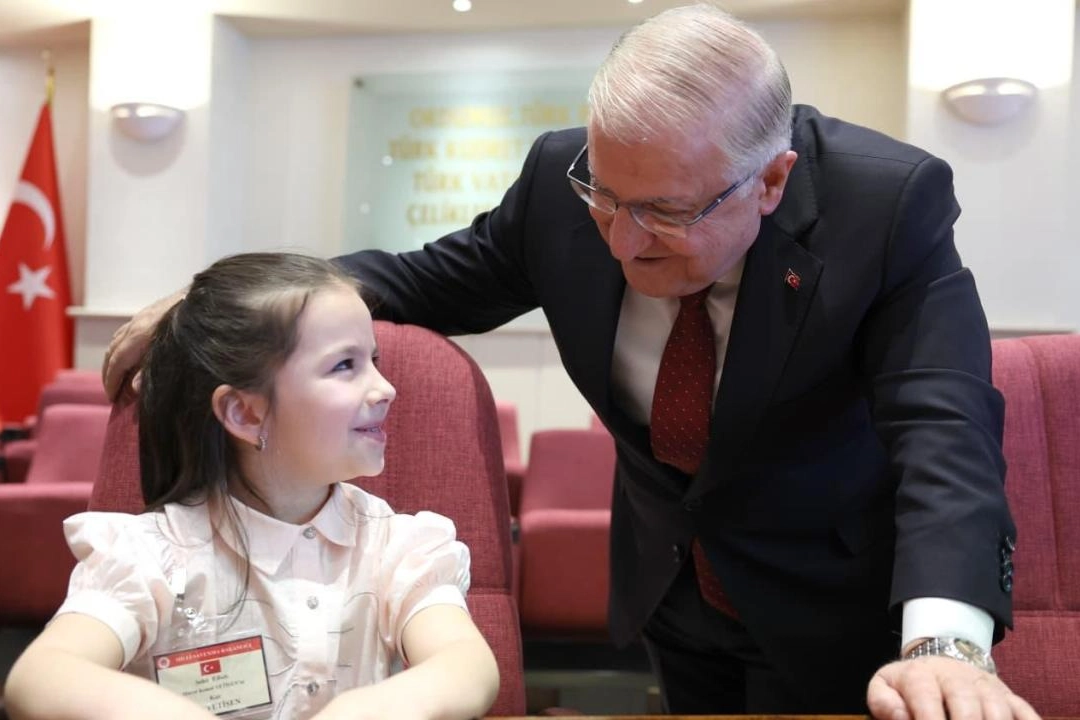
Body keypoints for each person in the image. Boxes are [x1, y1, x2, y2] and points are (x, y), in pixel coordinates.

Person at [101, 4, 1040, 719]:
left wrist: (947, 647)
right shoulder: (562, 187)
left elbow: (945, 430)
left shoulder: (888, 207)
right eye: (607, 196)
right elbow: (425, 280)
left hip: (836, 602)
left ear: (770, 180)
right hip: (674, 589)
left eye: (665, 212)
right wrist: (223, 309)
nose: (622, 242)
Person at [7, 252, 499, 720]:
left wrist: (367, 711)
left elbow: (466, 666)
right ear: (245, 412)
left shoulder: (395, 546)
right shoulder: (155, 555)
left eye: (373, 359)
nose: (385, 388)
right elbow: (40, 678)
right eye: (344, 366)